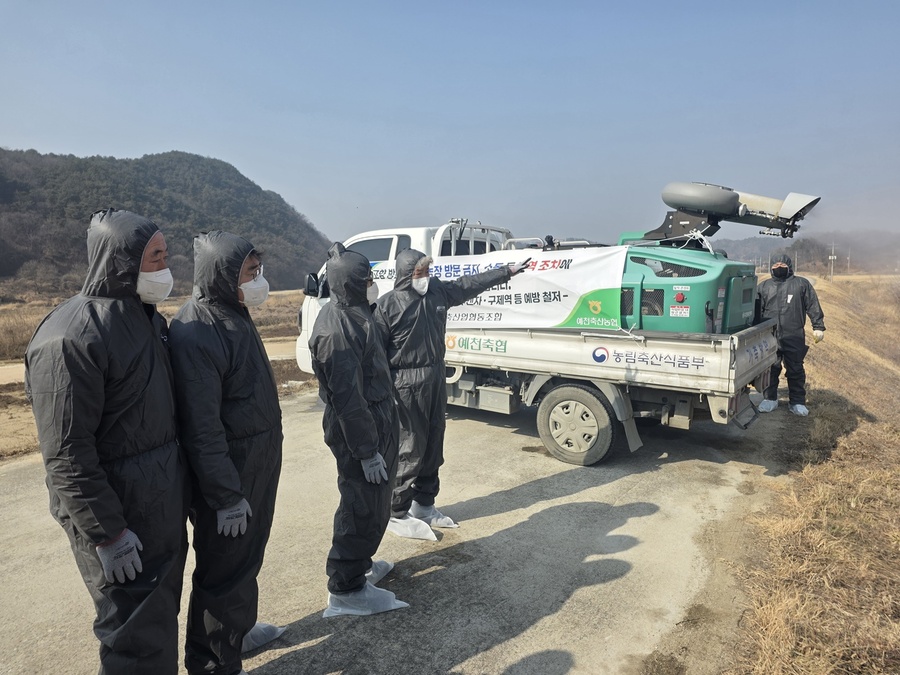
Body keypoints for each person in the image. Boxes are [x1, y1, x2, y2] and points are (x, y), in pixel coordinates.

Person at [24, 208, 188, 674]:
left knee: (156, 622)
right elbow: (66, 453)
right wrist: (108, 533)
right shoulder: (69, 337)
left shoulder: (144, 317)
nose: (166, 267)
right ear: (122, 261)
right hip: (116, 513)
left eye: (165, 255)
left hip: (155, 502)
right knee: (131, 635)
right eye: (155, 258)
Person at [168, 231, 284, 675]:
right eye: (251, 273)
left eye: (259, 271)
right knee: (222, 574)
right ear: (222, 275)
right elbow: (201, 428)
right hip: (229, 475)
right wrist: (225, 495)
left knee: (244, 563)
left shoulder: (233, 312)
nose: (260, 281)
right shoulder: (197, 329)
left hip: (253, 465)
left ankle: (236, 630)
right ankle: (214, 661)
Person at [374, 249, 530, 539]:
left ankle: (424, 504)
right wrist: (386, 391)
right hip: (404, 384)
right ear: (406, 274)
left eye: (427, 272)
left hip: (434, 377)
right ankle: (396, 512)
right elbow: (376, 355)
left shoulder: (437, 292)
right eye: (420, 273)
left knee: (434, 443)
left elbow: (469, 284)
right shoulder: (388, 306)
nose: (425, 278)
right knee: (411, 447)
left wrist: (506, 272)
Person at [309, 242, 408, 617]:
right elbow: (348, 400)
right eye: (366, 279)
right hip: (359, 425)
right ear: (350, 283)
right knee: (360, 502)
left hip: (377, 416)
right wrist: (366, 451)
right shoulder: (337, 329)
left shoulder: (358, 314)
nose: (372, 285)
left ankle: (361, 563)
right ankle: (346, 586)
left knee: (376, 501)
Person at [756, 253, 825, 416]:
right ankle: (769, 399)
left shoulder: (801, 284)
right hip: (770, 335)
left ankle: (797, 402)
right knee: (770, 368)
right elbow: (756, 310)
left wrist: (818, 326)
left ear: (789, 266)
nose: (779, 268)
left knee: (795, 368)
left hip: (794, 335)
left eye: (782, 265)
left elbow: (813, 305)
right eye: (775, 266)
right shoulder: (764, 286)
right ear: (771, 267)